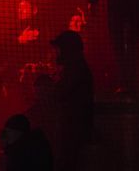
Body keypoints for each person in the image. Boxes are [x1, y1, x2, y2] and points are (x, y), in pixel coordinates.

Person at [49, 31, 93, 171]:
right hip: (75, 131)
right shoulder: (76, 67)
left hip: (74, 132)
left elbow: (59, 93)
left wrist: (50, 86)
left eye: (59, 49)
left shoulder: (75, 69)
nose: (57, 53)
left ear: (67, 49)